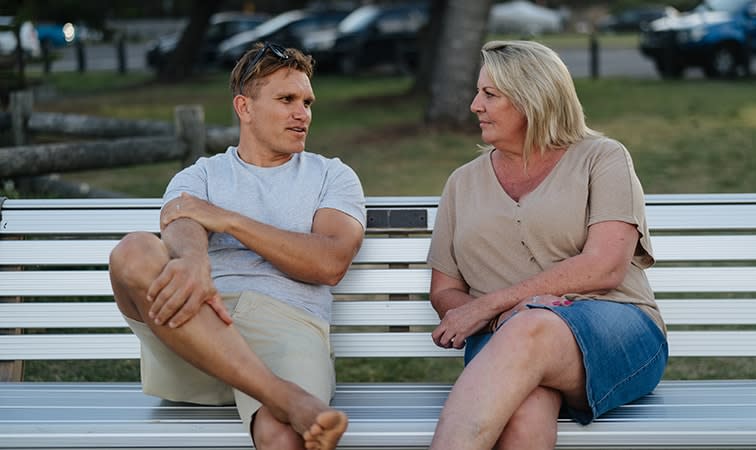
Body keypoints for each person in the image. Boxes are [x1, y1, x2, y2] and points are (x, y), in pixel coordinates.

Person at [108, 42, 366, 450]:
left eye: (307, 102)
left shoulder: (332, 176)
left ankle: (276, 399)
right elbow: (181, 223)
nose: (303, 113)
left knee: (282, 435)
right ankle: (281, 396)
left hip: (287, 331)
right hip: (194, 329)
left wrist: (227, 220)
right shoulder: (204, 174)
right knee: (133, 251)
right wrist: (194, 261)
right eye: (287, 100)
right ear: (244, 108)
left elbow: (329, 262)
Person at [426, 40, 668, 450]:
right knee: (522, 407)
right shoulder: (462, 183)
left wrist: (494, 306)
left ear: (531, 100)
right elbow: (445, 290)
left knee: (532, 326)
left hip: (614, 327)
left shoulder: (602, 158)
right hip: (501, 340)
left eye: (490, 94)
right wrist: (504, 318)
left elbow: (606, 265)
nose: (474, 105)